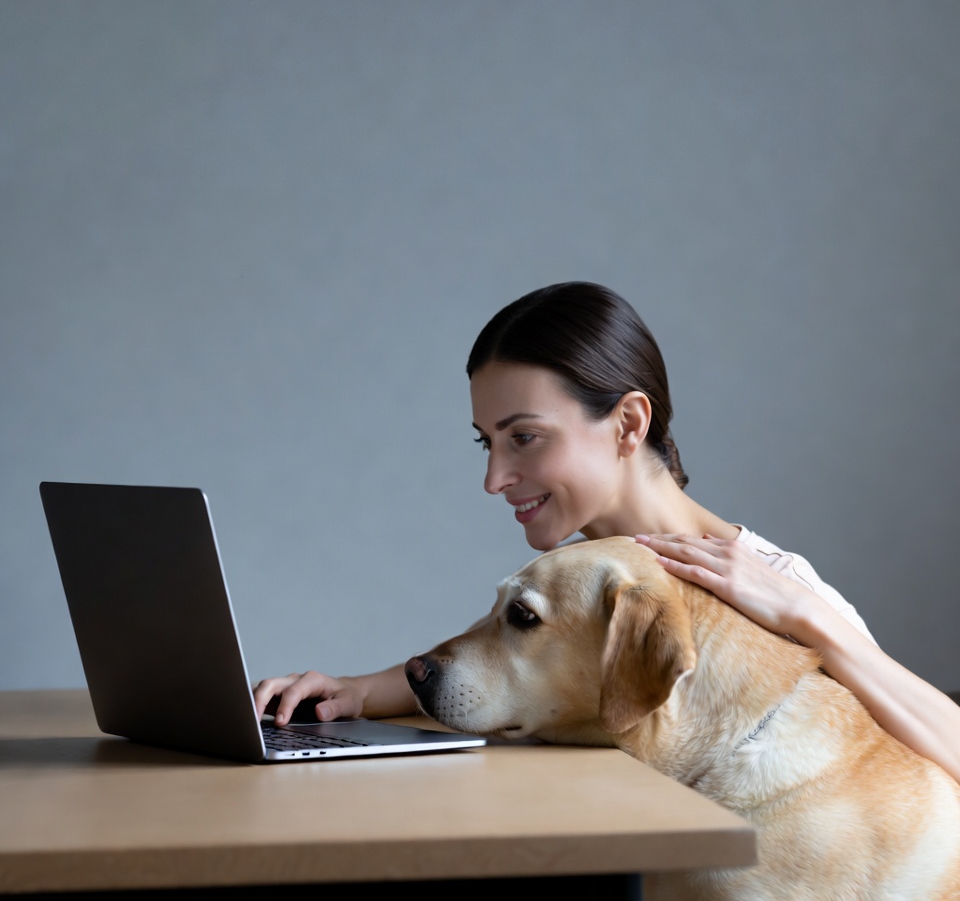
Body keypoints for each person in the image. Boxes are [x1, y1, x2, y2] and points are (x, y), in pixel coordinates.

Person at [254, 281, 960, 783]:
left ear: (628, 424)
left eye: (524, 438)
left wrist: (812, 617)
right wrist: (346, 693)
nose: (495, 478)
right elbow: (496, 670)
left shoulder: (766, 587)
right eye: (486, 444)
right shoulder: (586, 571)